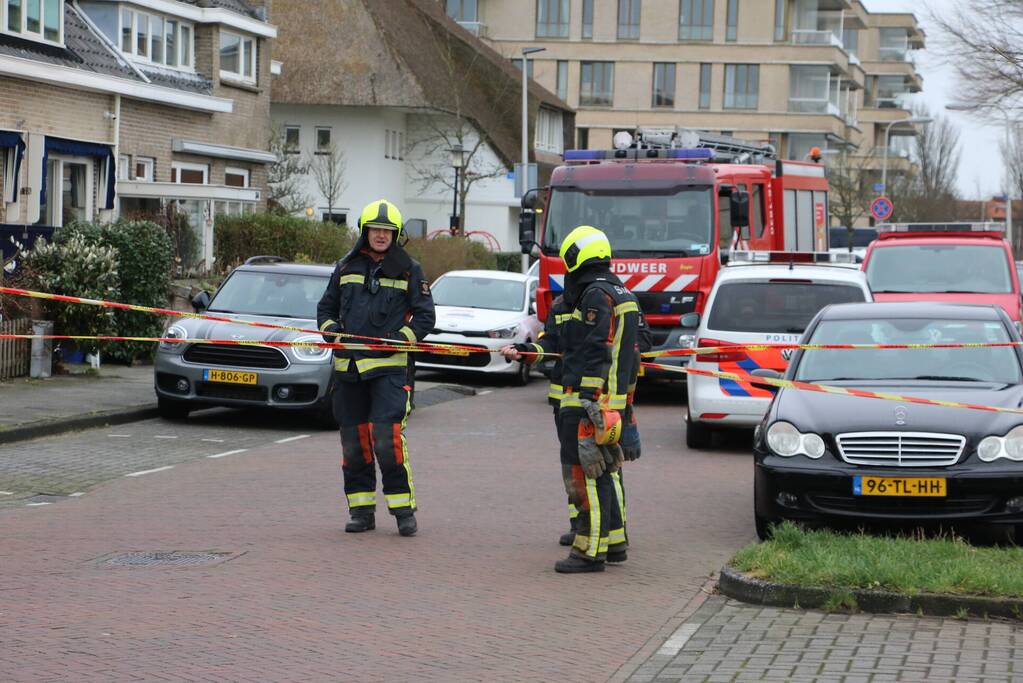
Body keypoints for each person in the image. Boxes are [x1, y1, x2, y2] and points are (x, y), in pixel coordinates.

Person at [503, 225, 640, 573]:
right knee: (605, 472)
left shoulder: (594, 295)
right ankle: (613, 543)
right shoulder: (617, 292)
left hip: (588, 403)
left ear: (575, 256)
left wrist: (588, 401)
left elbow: (596, 351)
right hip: (608, 403)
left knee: (585, 474)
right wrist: (526, 352)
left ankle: (588, 552)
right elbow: (560, 344)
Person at [317, 199, 436, 537]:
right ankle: (361, 510)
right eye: (375, 230)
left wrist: (401, 337)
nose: (381, 235)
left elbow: (426, 316)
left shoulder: (410, 269)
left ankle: (403, 511)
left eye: (387, 231)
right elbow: (325, 307)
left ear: (396, 234)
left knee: (386, 439)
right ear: (365, 231)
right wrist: (330, 331)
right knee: (354, 444)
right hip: (349, 372)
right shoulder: (345, 267)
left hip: (389, 373)